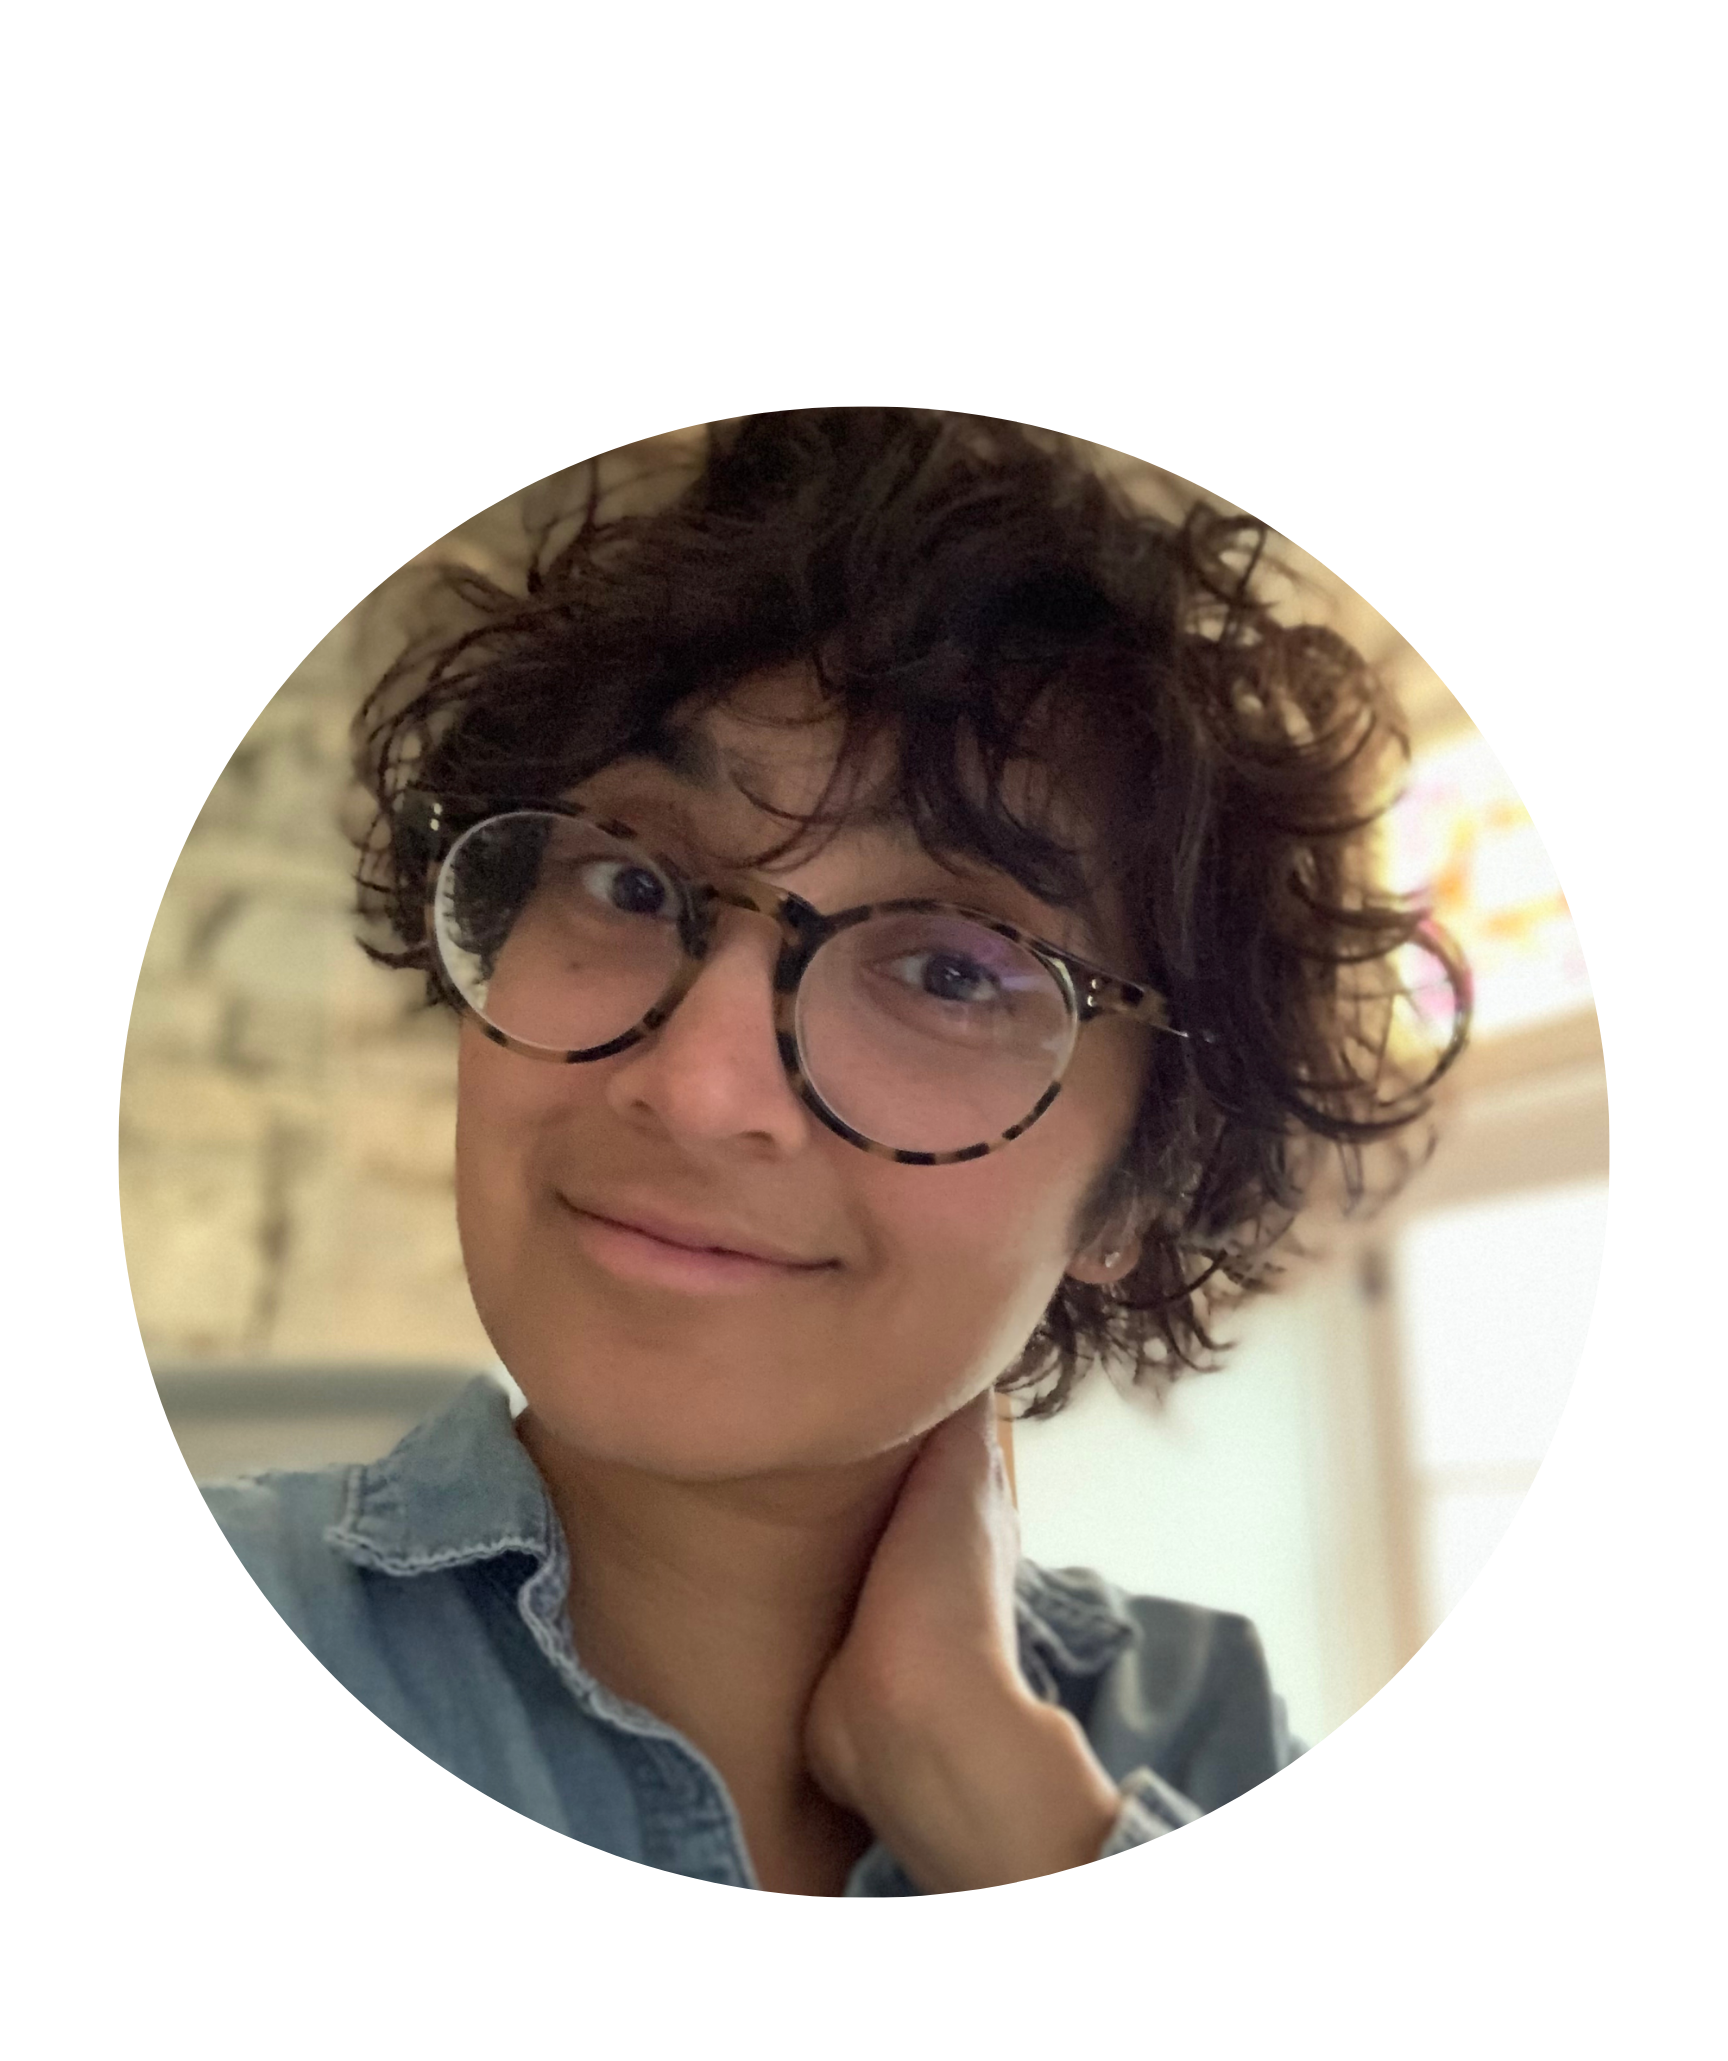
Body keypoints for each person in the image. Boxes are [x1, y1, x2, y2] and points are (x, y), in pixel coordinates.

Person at [202, 409, 1467, 1896]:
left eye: (949, 973)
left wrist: (1013, 1807)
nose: (698, 1087)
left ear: (1142, 1183)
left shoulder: (1202, 1727)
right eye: (627, 884)